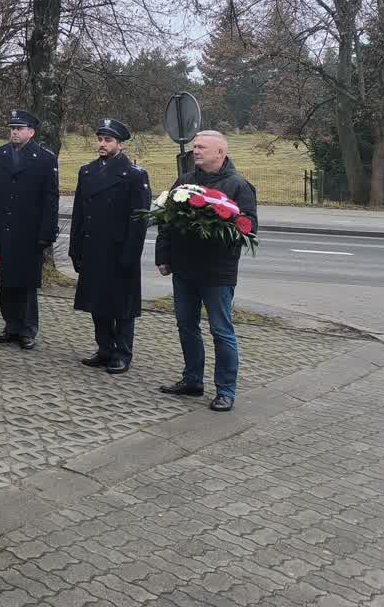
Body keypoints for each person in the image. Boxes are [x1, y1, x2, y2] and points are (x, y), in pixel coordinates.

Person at [156, 130, 258, 412]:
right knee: (186, 325)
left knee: (221, 330)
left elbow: (248, 228)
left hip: (217, 273)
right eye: (195, 147)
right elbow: (166, 221)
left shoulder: (239, 186)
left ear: (220, 153)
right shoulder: (185, 181)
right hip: (184, 269)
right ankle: (192, 380)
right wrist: (163, 256)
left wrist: (214, 227)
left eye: (201, 147)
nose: (196, 151)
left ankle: (225, 390)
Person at [69, 119, 151, 374]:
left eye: (108, 140)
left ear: (120, 144)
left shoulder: (134, 175)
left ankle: (122, 353)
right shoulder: (87, 171)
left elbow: (138, 220)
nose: (102, 144)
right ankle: (104, 348)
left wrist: (131, 255)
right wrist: (75, 248)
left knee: (121, 306)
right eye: (100, 139)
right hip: (93, 246)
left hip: (118, 249)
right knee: (97, 301)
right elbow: (79, 213)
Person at [0, 110, 59, 350]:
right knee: (5, 281)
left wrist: (47, 233)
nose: (14, 132)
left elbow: (50, 199)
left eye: (19, 128)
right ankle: (10, 326)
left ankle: (27, 329)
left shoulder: (44, 158)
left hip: (29, 232)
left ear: (31, 132)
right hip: (2, 229)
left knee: (26, 283)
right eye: (12, 128)